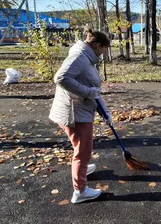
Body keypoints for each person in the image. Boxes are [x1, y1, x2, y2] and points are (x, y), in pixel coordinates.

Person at [49, 29, 111, 204]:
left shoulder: (85, 56)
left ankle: (82, 169)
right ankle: (80, 191)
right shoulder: (80, 57)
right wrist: (87, 92)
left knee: (81, 148)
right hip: (74, 113)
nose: (105, 53)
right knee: (83, 151)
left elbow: (93, 89)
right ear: (98, 46)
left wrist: (104, 112)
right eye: (105, 48)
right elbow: (61, 77)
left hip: (79, 109)